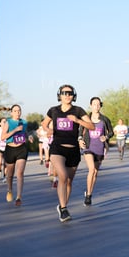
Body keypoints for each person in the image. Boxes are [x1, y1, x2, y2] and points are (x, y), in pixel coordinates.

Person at [41, 84, 94, 223]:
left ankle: (62, 206)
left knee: (69, 181)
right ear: (60, 95)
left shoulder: (78, 110)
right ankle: (64, 209)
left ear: (73, 95)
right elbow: (44, 123)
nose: (67, 95)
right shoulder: (53, 110)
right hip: (57, 148)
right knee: (63, 176)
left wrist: (77, 120)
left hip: (73, 150)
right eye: (64, 93)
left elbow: (91, 126)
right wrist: (48, 130)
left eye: (70, 93)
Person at [79, 97, 114, 206]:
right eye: (94, 104)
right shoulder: (86, 118)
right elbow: (80, 131)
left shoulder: (105, 119)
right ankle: (88, 196)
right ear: (91, 105)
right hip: (88, 147)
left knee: (95, 173)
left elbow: (111, 132)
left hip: (99, 148)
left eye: (98, 104)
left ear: (100, 106)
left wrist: (106, 137)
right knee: (92, 169)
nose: (96, 106)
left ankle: (89, 193)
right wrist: (80, 139)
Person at [2, 105, 29, 206]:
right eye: (15, 111)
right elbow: (3, 137)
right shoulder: (8, 122)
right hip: (10, 149)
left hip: (22, 148)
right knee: (10, 174)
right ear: (11, 113)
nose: (17, 112)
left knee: (20, 172)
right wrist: (15, 130)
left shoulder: (24, 122)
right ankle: (9, 190)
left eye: (19, 111)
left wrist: (29, 136)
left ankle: (19, 197)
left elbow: (25, 132)